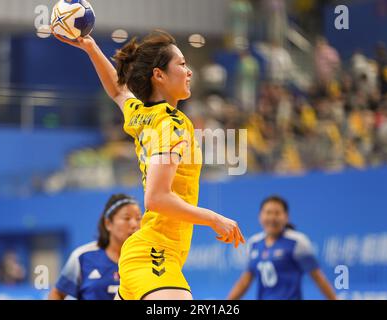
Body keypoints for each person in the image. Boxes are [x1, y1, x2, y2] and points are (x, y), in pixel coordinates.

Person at [52, 29, 245, 300]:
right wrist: (214, 219)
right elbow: (156, 198)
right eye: (182, 64)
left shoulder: (143, 114)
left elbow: (118, 90)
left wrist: (90, 47)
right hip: (155, 253)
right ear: (159, 75)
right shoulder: (171, 123)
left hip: (149, 254)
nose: (189, 71)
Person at [227, 195, 336, 300]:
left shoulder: (297, 242)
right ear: (260, 216)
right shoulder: (254, 243)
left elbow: (318, 278)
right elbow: (244, 281)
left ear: (286, 217)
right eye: (268, 213)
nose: (272, 218)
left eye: (277, 213)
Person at [48, 194, 142, 300]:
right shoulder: (83, 256)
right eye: (127, 218)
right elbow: (57, 294)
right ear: (108, 223)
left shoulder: (145, 258)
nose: (135, 224)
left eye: (138, 218)